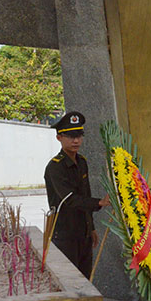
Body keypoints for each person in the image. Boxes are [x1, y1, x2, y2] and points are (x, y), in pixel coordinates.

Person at [44, 111, 110, 278]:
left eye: (79, 135)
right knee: (70, 282)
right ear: (59, 137)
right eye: (71, 136)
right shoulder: (55, 167)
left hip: (83, 234)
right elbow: (70, 200)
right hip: (65, 235)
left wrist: (91, 227)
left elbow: (85, 193)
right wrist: (100, 203)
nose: (76, 140)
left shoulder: (82, 162)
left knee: (86, 280)